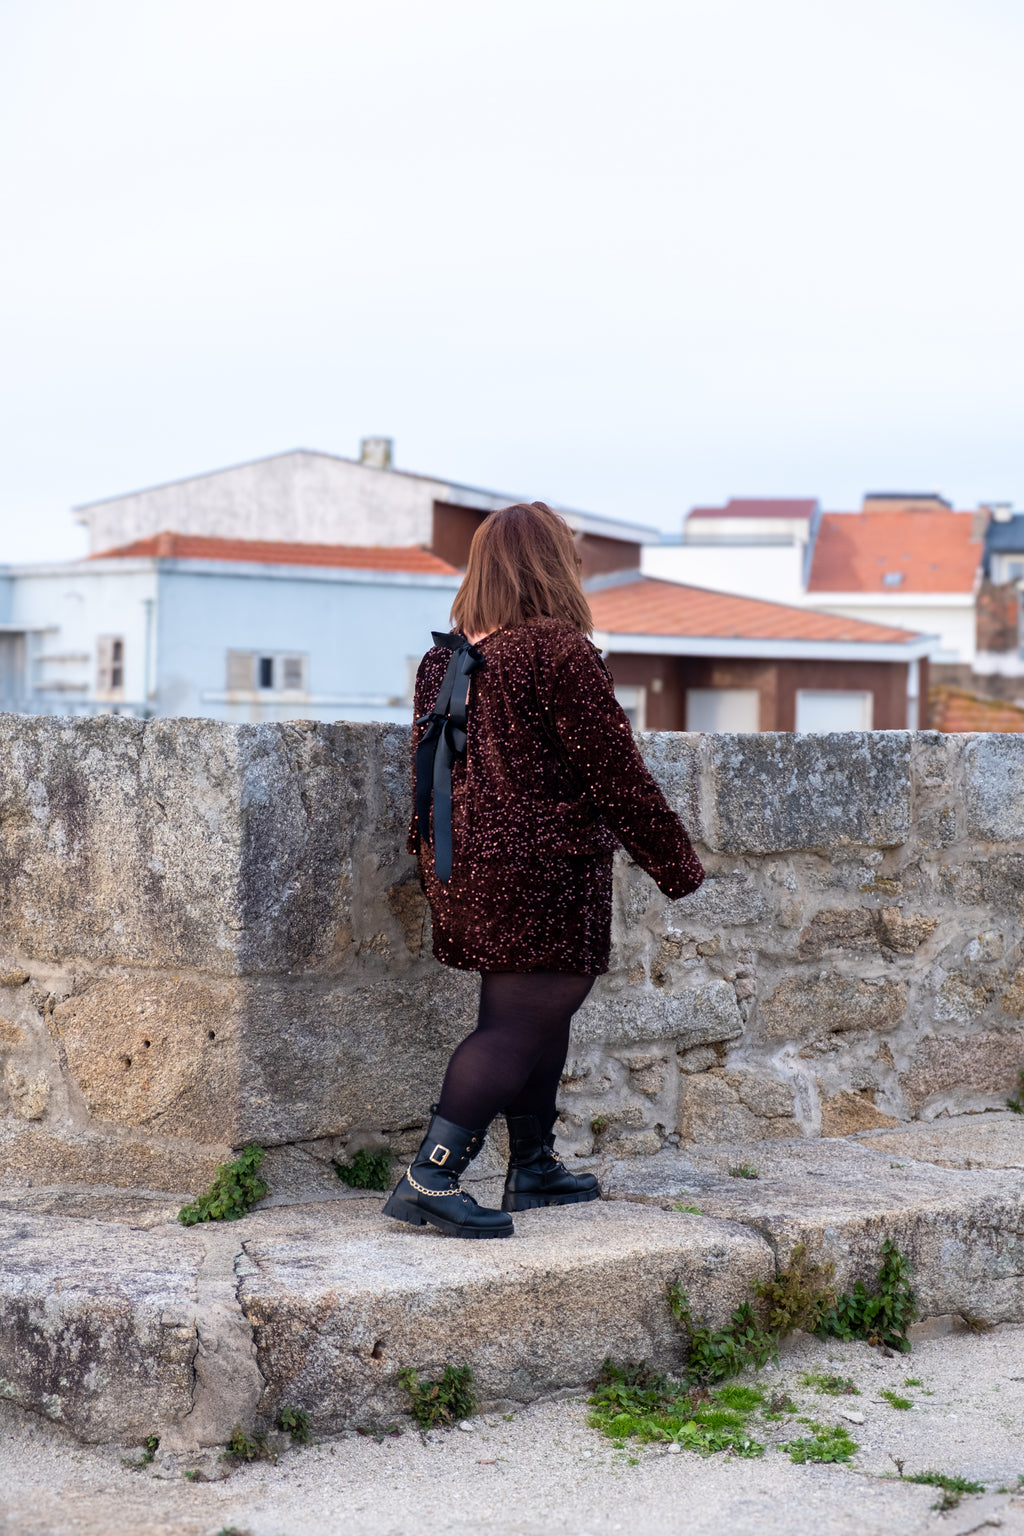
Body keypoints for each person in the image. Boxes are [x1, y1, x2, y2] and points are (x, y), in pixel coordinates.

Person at [383, 502, 705, 1239]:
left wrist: (429, 857)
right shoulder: (556, 651)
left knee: (533, 1013)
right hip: (539, 868)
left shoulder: (446, 658)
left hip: (466, 862)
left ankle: (533, 1167)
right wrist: (676, 865)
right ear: (554, 565)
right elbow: (614, 773)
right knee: (516, 1023)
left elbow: (430, 770)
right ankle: (430, 1177)